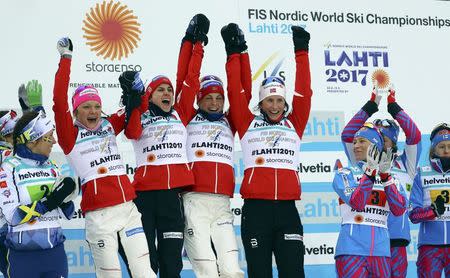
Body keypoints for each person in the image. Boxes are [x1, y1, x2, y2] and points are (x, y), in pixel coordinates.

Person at [52, 37, 155, 278]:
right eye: (86, 107)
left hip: (128, 209)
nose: (93, 112)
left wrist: (136, 91)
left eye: (96, 106)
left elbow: (135, 108)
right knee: (110, 275)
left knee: (144, 272)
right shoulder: (70, 136)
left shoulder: (109, 125)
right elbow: (58, 103)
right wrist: (66, 58)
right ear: (76, 111)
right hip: (99, 216)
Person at [224, 24, 311, 277]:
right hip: (256, 211)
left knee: (293, 272)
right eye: (269, 100)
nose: (275, 106)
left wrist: (302, 50)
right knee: (259, 272)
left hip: (287, 211)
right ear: (261, 102)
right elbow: (235, 90)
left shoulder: (294, 123)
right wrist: (233, 52)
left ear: (285, 103)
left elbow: (304, 92)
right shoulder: (247, 123)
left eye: (279, 100)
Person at [123, 15, 207, 278]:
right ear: (149, 94)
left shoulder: (180, 112)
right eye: (160, 90)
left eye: (169, 89)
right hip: (145, 198)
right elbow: (132, 132)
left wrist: (195, 44)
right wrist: (134, 104)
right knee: (148, 263)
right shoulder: (140, 114)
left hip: (172, 198)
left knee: (172, 264)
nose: (167, 93)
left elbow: (190, 79)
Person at [176, 15, 248, 278]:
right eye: (208, 98)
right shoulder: (185, 117)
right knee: (205, 268)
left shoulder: (232, 121)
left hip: (222, 204)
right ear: (199, 100)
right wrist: (194, 43)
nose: (215, 103)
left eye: (219, 98)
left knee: (231, 270)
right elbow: (186, 79)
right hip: (193, 201)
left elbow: (243, 91)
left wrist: (237, 53)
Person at [341, 84, 422, 277]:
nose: (378, 141)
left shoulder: (405, 164)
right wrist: (372, 104)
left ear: (393, 143)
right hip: (366, 241)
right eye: (375, 137)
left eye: (384, 139)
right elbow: (347, 135)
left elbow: (414, 136)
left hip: (396, 243)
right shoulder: (358, 162)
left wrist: (394, 107)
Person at [0, 111, 77, 277]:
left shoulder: (52, 166)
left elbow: (68, 214)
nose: (54, 141)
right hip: (23, 258)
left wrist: (65, 198)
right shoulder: (9, 168)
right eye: (49, 137)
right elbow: (12, 217)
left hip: (55, 255)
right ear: (33, 140)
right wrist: (50, 201)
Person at [333, 123, 407, 278]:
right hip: (350, 250)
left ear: (375, 146)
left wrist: (385, 178)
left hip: (381, 252)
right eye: (354, 142)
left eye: (362, 141)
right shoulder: (345, 173)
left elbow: (399, 209)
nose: (356, 146)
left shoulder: (392, 177)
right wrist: (370, 173)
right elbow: (357, 203)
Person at [409, 123, 450, 278]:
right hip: (430, 246)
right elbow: (413, 215)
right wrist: (432, 211)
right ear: (434, 149)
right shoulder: (422, 174)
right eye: (441, 146)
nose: (446, 151)